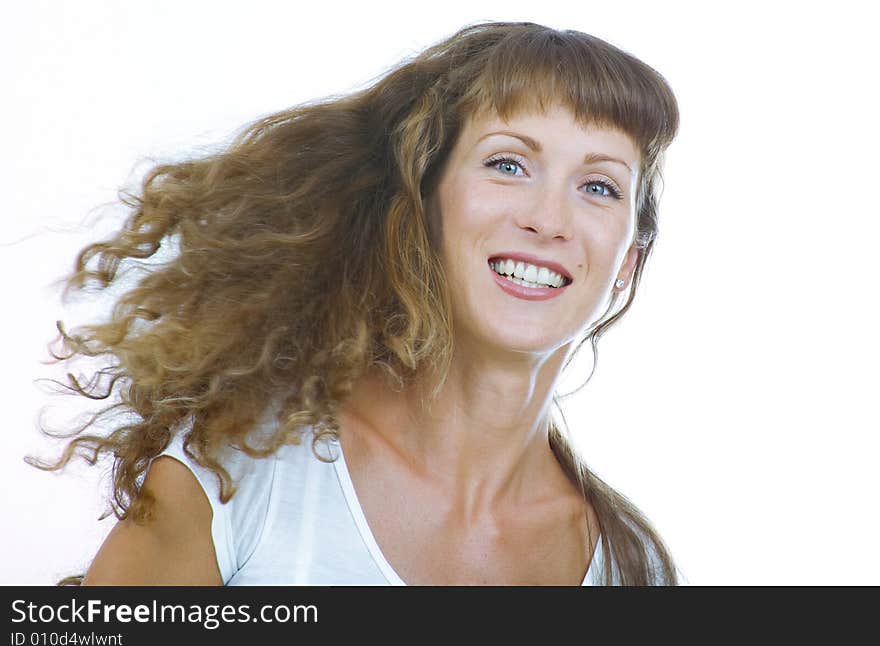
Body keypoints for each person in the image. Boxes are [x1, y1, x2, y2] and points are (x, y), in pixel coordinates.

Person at [32, 20, 680, 586]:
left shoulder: (629, 567)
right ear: (424, 206)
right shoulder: (243, 473)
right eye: (508, 165)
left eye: (598, 185)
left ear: (628, 262)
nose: (549, 218)